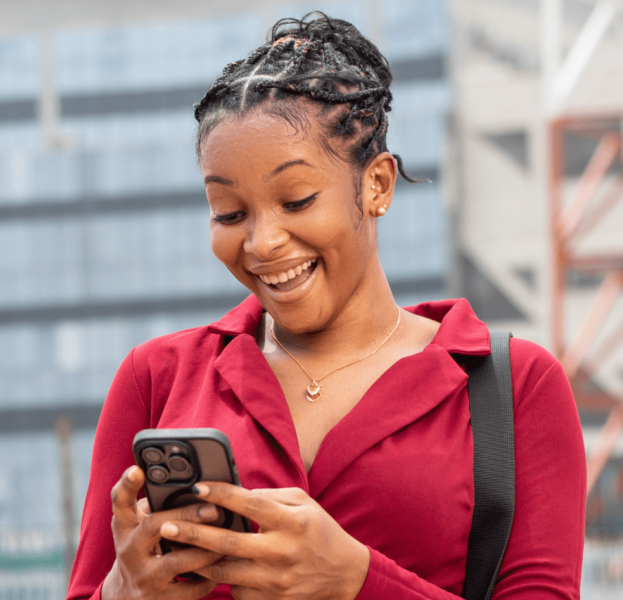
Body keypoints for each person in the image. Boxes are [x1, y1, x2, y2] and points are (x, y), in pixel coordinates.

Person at [65, 14, 585, 600]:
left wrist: (356, 581)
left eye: (297, 199)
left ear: (377, 186)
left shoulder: (514, 387)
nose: (262, 243)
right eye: (229, 213)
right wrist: (122, 592)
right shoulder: (156, 379)